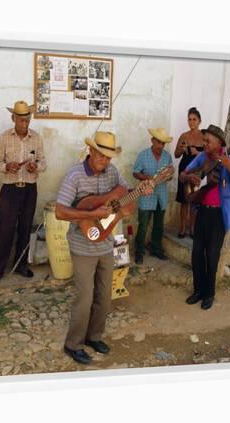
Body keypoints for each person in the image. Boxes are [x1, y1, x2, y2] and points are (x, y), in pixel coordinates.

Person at [56, 131, 153, 364]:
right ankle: (73, 344)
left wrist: (140, 191)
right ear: (91, 151)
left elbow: (126, 198)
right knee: (85, 296)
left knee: (104, 294)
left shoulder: (113, 172)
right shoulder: (74, 175)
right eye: (102, 156)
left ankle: (94, 336)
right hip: (82, 245)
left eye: (109, 157)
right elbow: (60, 211)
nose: (105, 161)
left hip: (106, 243)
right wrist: (91, 213)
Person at [180, 124, 230, 310]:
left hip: (218, 215)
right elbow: (184, 174)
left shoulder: (228, 159)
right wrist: (189, 178)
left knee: (212, 255)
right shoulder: (201, 157)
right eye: (204, 140)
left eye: (208, 141)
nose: (204, 143)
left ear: (219, 143)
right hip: (201, 212)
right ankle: (198, 290)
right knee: (197, 254)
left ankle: (209, 294)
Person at [0, 101, 47, 286]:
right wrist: (7, 167)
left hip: (29, 189)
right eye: (21, 120)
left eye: (27, 120)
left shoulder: (36, 138)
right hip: (10, 189)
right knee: (4, 229)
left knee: (25, 227)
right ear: (13, 118)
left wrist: (35, 166)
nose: (25, 124)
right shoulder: (5, 137)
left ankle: (21, 265)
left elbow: (44, 164)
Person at [133, 128, 174, 264]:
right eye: (158, 142)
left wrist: (167, 177)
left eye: (163, 143)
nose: (161, 146)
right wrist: (148, 178)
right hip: (146, 196)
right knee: (143, 225)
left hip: (161, 196)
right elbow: (135, 172)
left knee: (158, 225)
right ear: (152, 141)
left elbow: (170, 174)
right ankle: (139, 252)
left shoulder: (167, 157)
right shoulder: (143, 155)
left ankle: (156, 249)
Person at [174, 107, 205, 238]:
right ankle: (182, 228)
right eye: (189, 119)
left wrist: (198, 152)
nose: (191, 122)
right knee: (184, 200)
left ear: (199, 121)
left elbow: (209, 154)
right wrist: (181, 149)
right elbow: (176, 154)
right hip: (184, 171)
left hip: (197, 171)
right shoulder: (184, 136)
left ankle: (192, 228)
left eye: (194, 119)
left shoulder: (204, 136)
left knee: (194, 200)